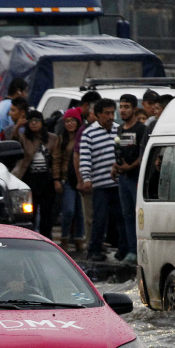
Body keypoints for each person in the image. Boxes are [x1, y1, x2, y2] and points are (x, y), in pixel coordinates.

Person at [80, 98, 128, 261]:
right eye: (106, 113)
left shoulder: (119, 130)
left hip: (118, 183)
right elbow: (85, 158)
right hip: (100, 184)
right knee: (99, 218)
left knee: (121, 217)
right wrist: (86, 179)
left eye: (112, 113)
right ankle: (94, 249)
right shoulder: (89, 133)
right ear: (98, 114)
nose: (110, 116)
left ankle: (124, 249)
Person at [11, 110, 60, 239]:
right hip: (29, 179)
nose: (33, 124)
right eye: (31, 121)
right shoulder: (24, 137)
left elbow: (56, 161)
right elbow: (13, 141)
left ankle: (47, 239)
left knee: (47, 214)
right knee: (29, 214)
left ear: (42, 123)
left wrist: (56, 179)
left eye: (36, 121)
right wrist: (17, 126)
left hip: (46, 180)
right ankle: (30, 239)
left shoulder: (52, 138)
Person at [113, 94, 146, 265]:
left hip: (135, 178)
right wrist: (115, 167)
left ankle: (140, 251)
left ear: (134, 109)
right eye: (121, 106)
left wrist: (130, 167)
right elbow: (118, 151)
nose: (123, 110)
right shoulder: (120, 129)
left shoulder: (141, 129)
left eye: (126, 107)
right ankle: (131, 250)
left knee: (138, 215)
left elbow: (144, 156)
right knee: (126, 215)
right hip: (123, 179)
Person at [71, 91, 101, 248]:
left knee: (102, 215)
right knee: (89, 216)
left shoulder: (112, 129)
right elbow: (77, 157)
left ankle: (100, 242)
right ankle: (91, 244)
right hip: (89, 181)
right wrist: (81, 180)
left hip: (105, 182)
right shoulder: (84, 131)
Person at [57, 107, 85, 253]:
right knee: (68, 210)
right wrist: (57, 178)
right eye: (67, 121)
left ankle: (80, 240)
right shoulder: (61, 139)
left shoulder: (82, 137)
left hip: (81, 178)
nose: (69, 124)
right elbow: (57, 159)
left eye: (72, 120)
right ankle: (64, 239)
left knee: (80, 212)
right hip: (66, 179)